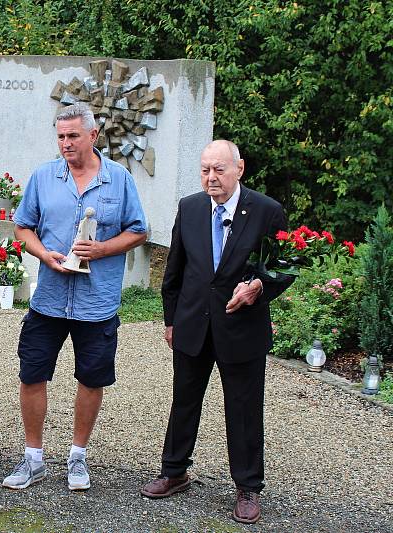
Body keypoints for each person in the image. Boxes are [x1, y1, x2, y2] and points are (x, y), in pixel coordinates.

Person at [140, 140, 293, 524]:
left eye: (219, 170)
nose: (211, 177)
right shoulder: (190, 208)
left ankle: (247, 488)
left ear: (239, 168)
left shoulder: (266, 211)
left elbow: (286, 265)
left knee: (243, 409)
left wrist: (258, 286)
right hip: (193, 324)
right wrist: (171, 321)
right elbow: (173, 271)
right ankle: (174, 471)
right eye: (205, 169)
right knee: (184, 401)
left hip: (241, 329)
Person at [3, 103, 147, 491]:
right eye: (61, 136)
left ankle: (77, 458)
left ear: (92, 136)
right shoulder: (44, 177)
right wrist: (41, 253)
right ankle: (33, 459)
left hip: (96, 303)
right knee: (32, 374)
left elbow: (139, 231)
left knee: (90, 378)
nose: (66, 143)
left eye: (73, 136)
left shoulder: (119, 180)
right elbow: (22, 227)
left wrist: (102, 250)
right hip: (48, 300)